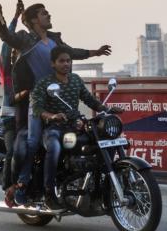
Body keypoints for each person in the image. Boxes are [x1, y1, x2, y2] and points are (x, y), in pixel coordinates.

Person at [0, 0, 112, 203]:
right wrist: (0, 15)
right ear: (33, 20)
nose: (49, 15)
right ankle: (23, 184)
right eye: (44, 13)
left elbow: (73, 53)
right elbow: (6, 36)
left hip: (61, 100)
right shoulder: (25, 40)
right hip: (37, 102)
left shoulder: (55, 40)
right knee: (31, 144)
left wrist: (96, 52)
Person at [26, 46, 123, 210]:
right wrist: (52, 116)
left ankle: (98, 189)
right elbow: (37, 108)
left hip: (74, 128)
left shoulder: (76, 80)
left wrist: (107, 110)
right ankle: (49, 193)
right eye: (61, 61)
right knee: (54, 148)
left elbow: (89, 100)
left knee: (103, 141)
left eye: (68, 61)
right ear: (53, 64)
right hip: (54, 129)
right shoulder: (45, 84)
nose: (66, 64)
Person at [0, 1, 23, 190]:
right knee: (13, 151)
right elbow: (6, 43)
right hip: (10, 119)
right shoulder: (7, 73)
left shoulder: (29, 72)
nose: (16, 55)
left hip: (29, 117)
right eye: (14, 53)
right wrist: (13, 18)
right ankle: (9, 187)